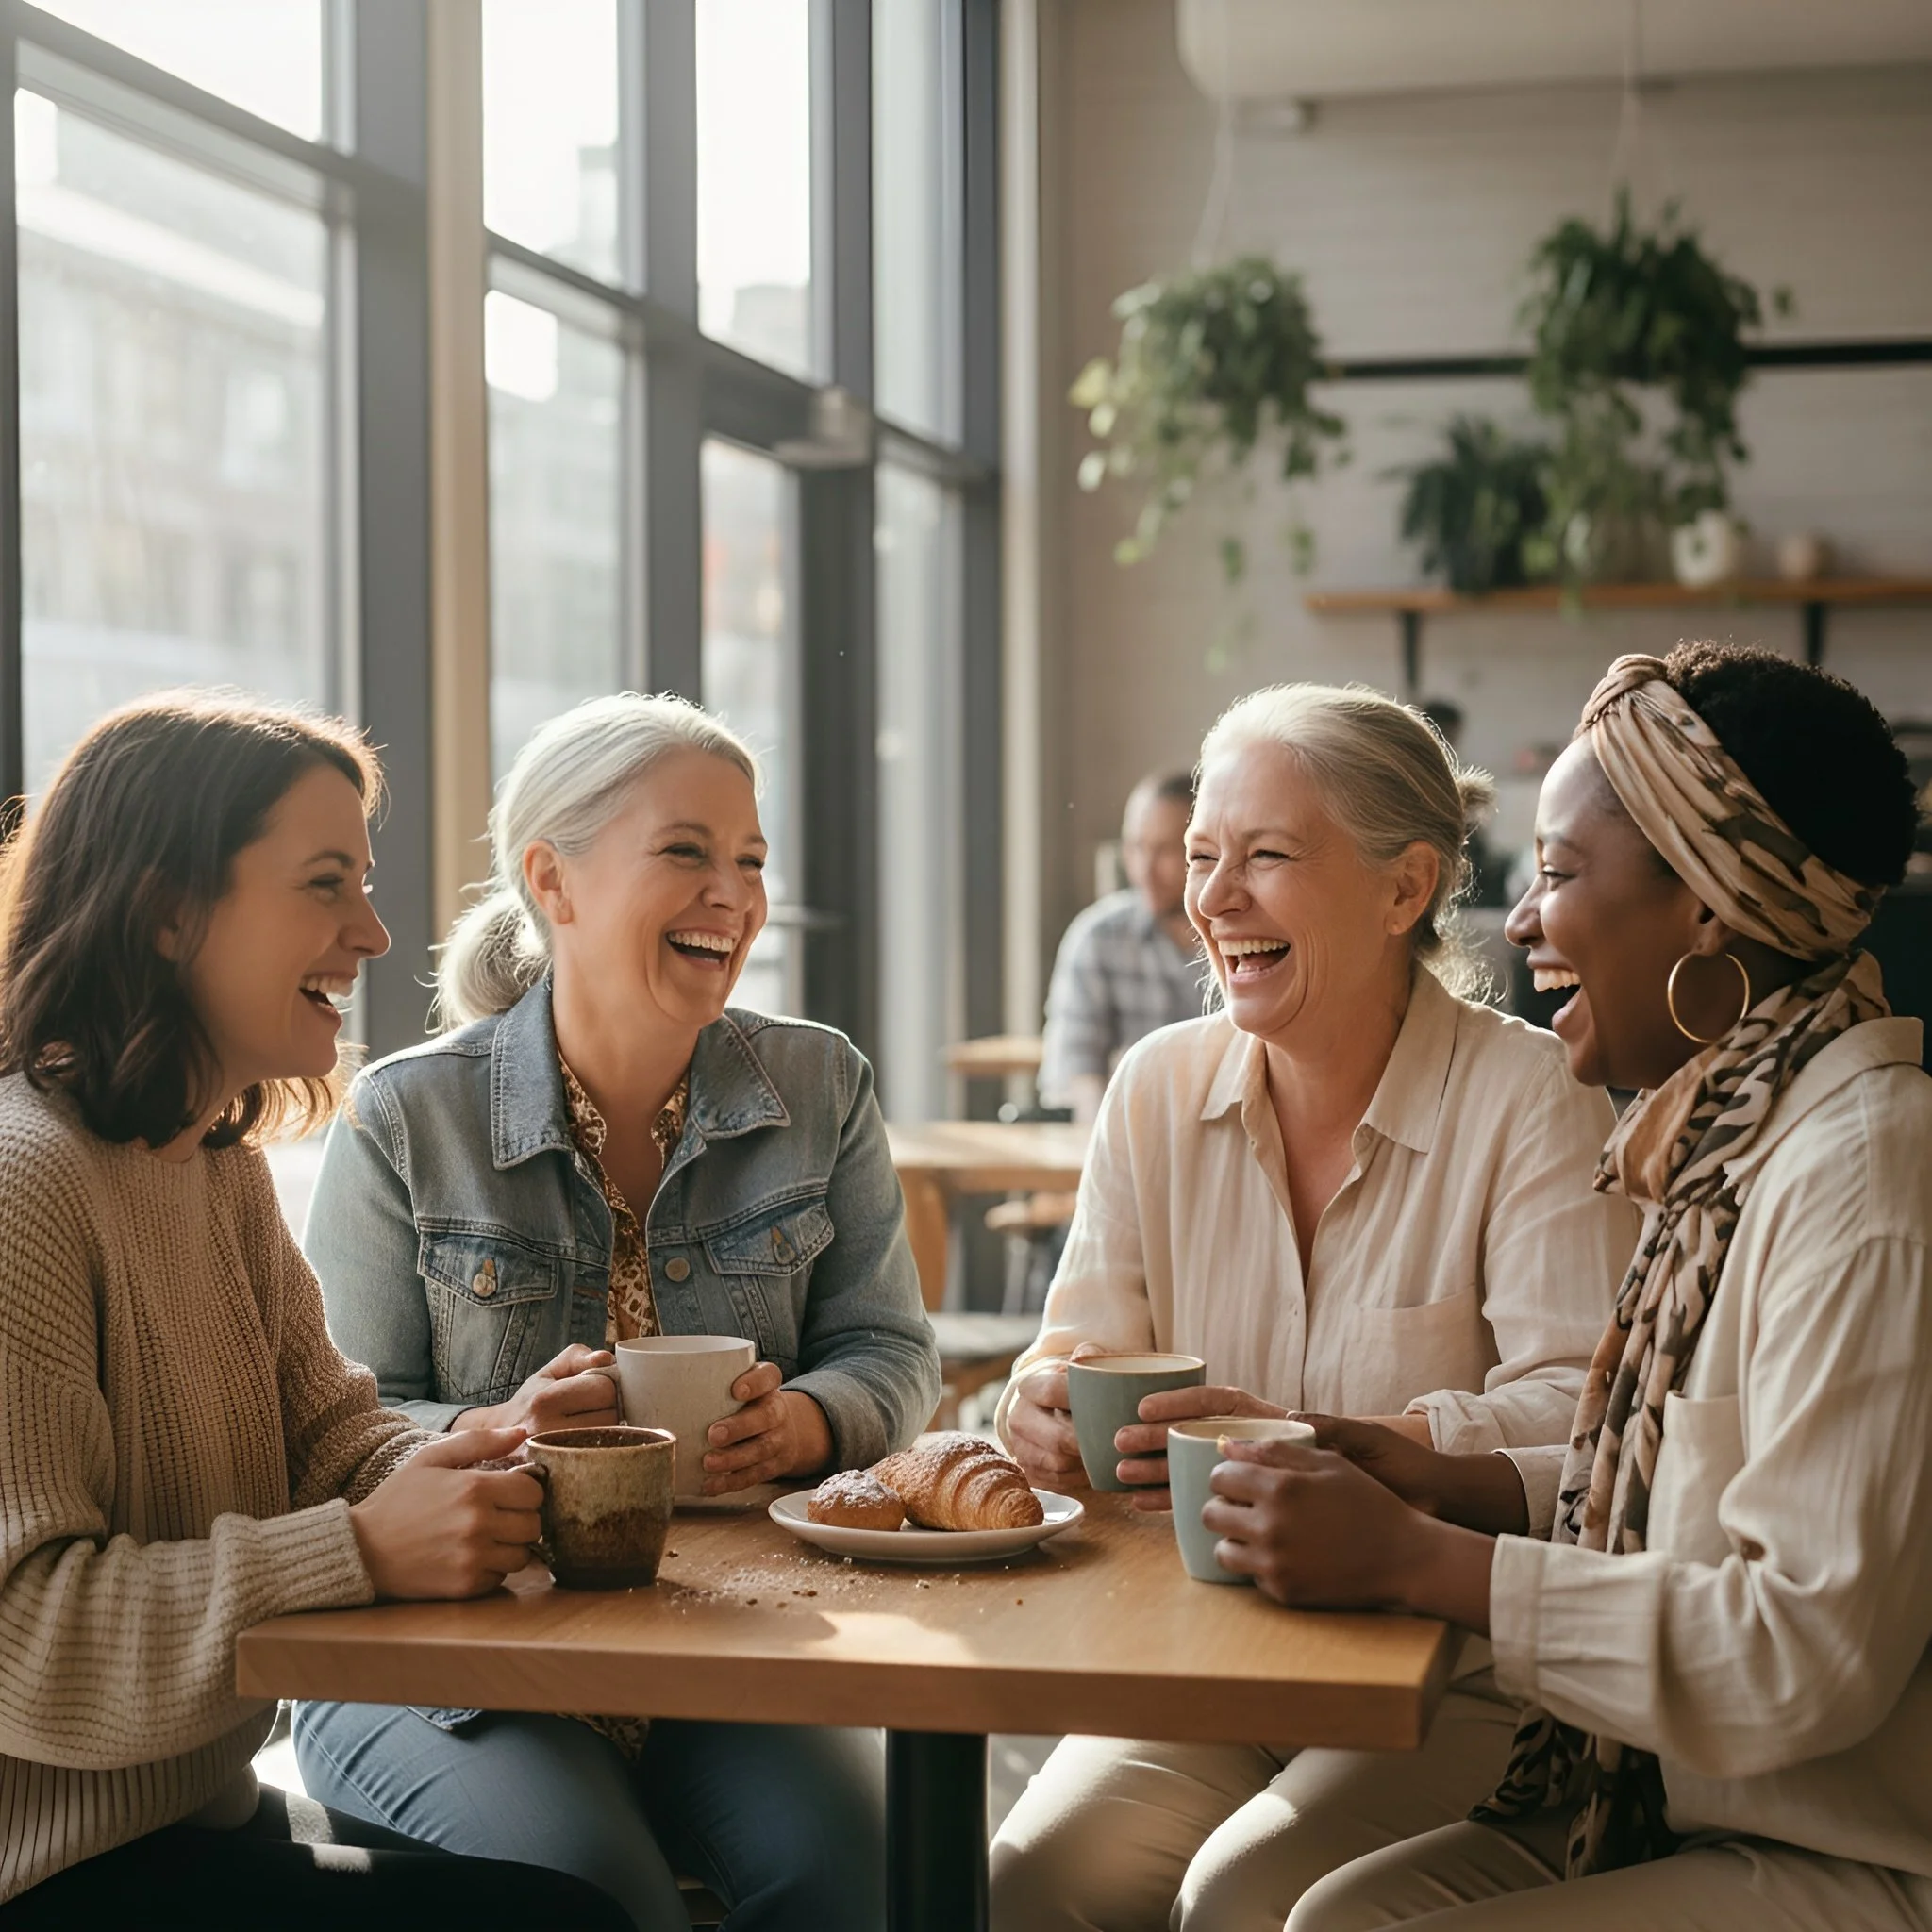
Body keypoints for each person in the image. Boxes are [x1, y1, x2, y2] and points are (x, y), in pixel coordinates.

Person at [1201, 645, 1932, 1931]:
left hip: (1836, 1844)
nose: (1519, 923)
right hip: (1662, 1790)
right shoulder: (1727, 1142)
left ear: (1708, 907)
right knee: (1261, 1905)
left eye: (1554, 873)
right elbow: (1693, 1487)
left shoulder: (1864, 1182)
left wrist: (1435, 1563)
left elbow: (1803, 1657)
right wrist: (1449, 1478)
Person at [990, 684, 1641, 1932]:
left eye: (1268, 856)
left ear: (1405, 891)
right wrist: (1041, 1403)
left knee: (1243, 1901)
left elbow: (1585, 1424)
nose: (1215, 898)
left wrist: (1331, 1439)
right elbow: (1073, 1345)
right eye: (1201, 859)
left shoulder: (1533, 1100)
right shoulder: (1153, 1090)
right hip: (1205, 1654)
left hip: (1459, 1676)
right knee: (1028, 1885)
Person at [293, 691, 940, 1931]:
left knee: (874, 1885)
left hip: (722, 1637)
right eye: (687, 853)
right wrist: (497, 1434)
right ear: (554, 879)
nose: (735, 898)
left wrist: (806, 1424)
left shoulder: (820, 1082)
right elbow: (334, 1424)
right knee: (599, 1900)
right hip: (451, 1656)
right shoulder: (407, 1116)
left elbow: (891, 1350)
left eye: (749, 861)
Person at [0, 694, 625, 1929]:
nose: (377, 933)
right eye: (326, 885)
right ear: (168, 909)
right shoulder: (26, 1187)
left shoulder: (210, 1166)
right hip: (56, 1874)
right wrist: (365, 1552)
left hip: (194, 1819)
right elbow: (27, 1639)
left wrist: (486, 1447)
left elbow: (330, 1443)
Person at [1040, 770, 1206, 1123]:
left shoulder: (1245, 942)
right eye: (1135, 847)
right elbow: (1074, 1072)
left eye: (1163, 851)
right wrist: (1111, 1151)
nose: (1144, 869)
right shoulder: (1097, 938)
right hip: (1123, 1139)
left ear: (1205, 850)